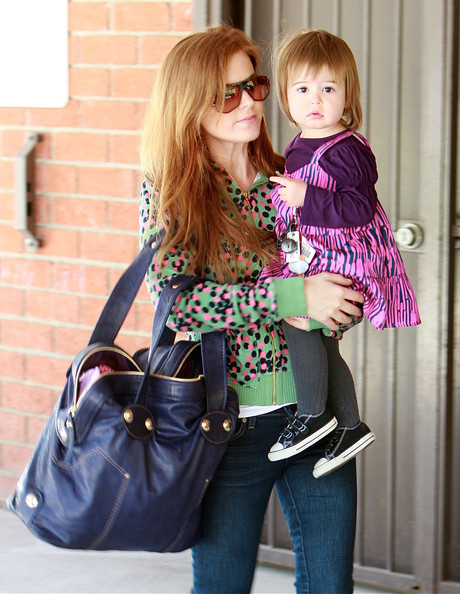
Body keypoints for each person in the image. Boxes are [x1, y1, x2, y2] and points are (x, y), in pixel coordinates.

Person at [139, 24, 365, 594]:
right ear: (190, 103)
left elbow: (340, 258)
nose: (251, 102)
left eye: (255, 85)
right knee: (223, 585)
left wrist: (343, 299)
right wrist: (296, 296)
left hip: (317, 420)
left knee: (329, 586)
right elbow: (180, 305)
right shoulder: (172, 190)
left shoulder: (290, 174)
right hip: (228, 428)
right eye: (228, 93)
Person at [260, 29, 421, 477]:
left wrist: (305, 196)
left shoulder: (345, 149)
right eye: (303, 89)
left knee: (297, 319)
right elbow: (293, 216)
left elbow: (358, 208)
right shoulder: (296, 147)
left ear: (347, 96)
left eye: (328, 89)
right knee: (320, 339)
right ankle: (348, 424)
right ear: (287, 98)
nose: (316, 100)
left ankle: (314, 414)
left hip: (344, 257)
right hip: (310, 256)